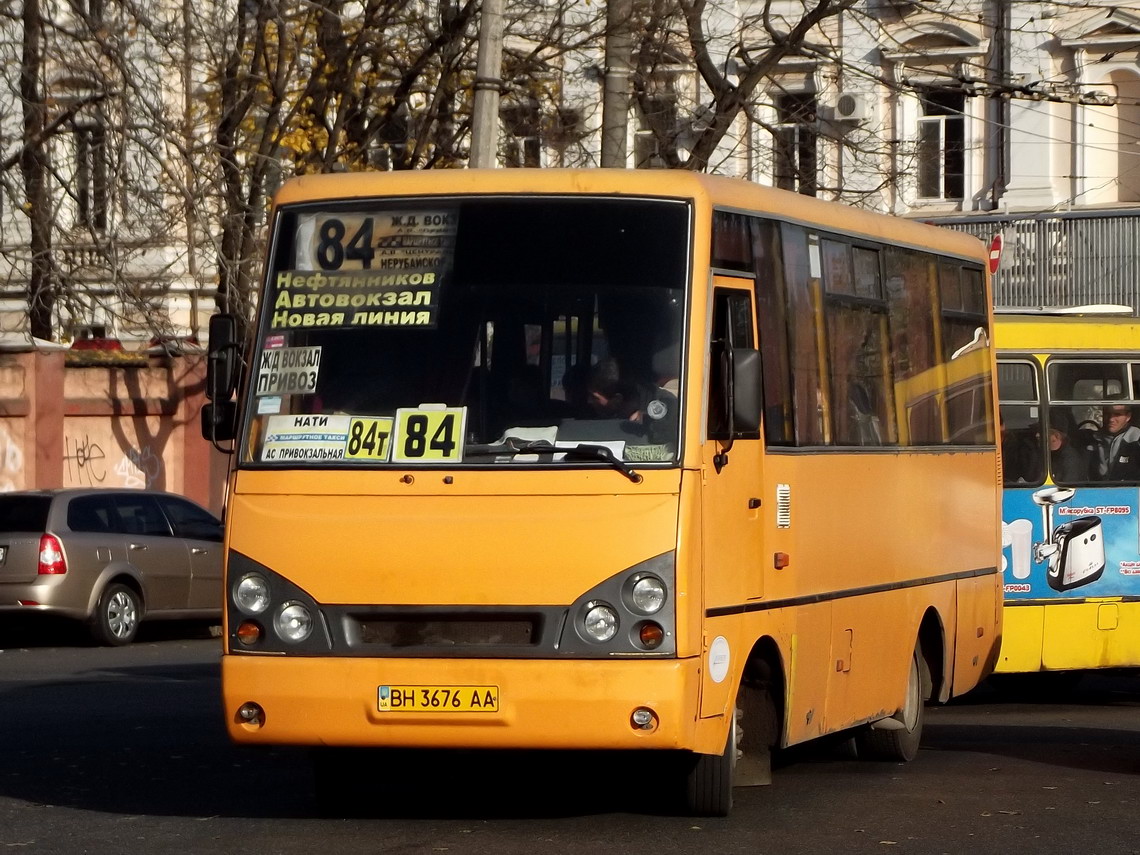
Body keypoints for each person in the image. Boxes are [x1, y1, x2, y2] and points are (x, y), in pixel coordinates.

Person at [1093, 400, 1140, 481]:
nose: (1111, 419)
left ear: (1128, 417)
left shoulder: (1137, 439)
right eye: (1108, 414)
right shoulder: (1092, 439)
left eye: (1117, 414)